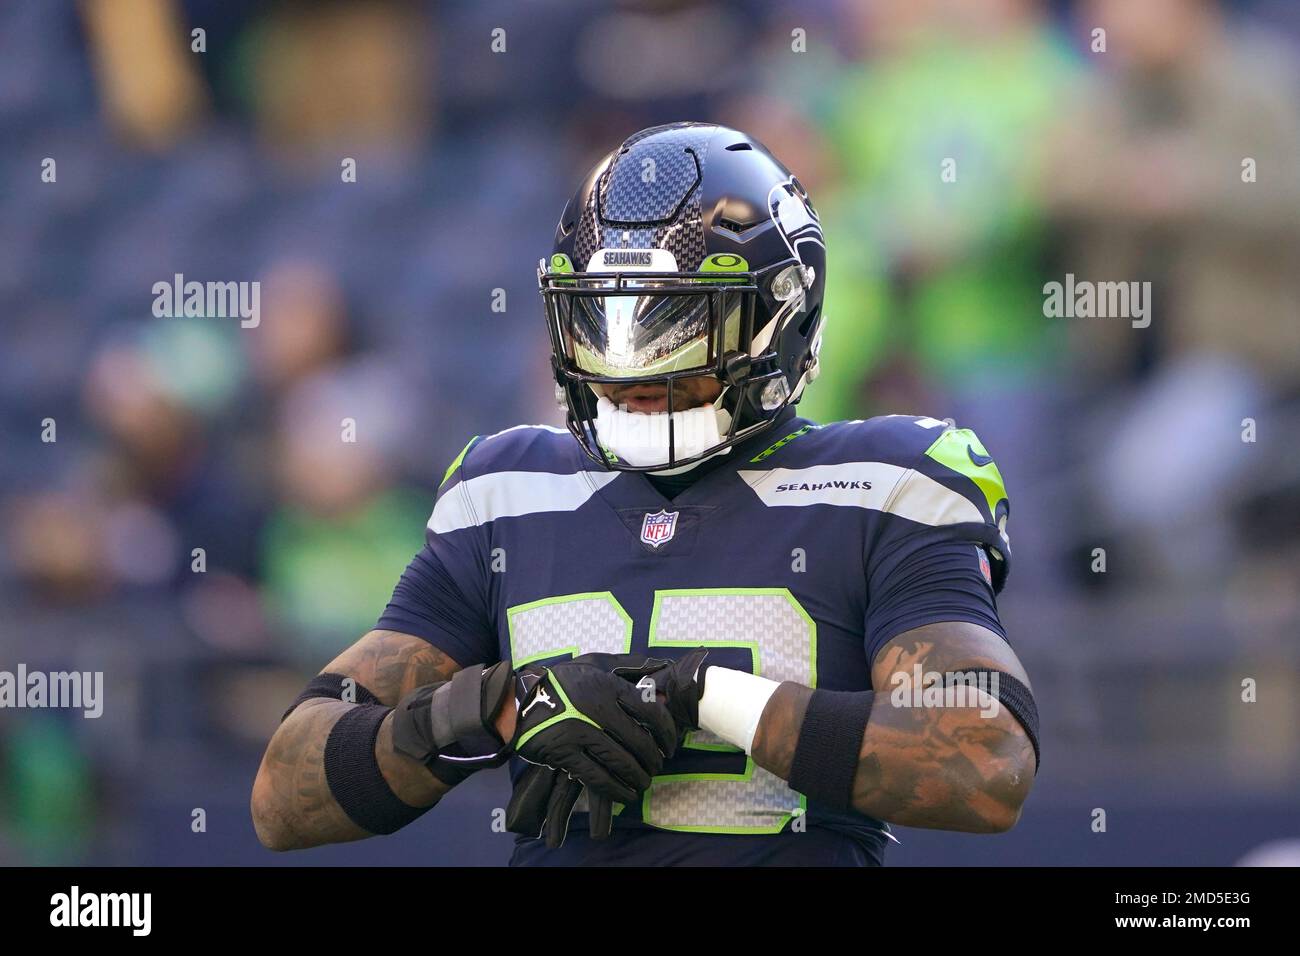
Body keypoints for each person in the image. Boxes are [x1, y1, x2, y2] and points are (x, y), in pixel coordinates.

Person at [251, 123, 1039, 866]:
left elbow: (985, 759)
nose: (634, 371)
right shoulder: (506, 492)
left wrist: (703, 694)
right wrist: (496, 709)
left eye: (684, 326)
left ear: (781, 317)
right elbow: (283, 796)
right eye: (601, 320)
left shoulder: (885, 482)